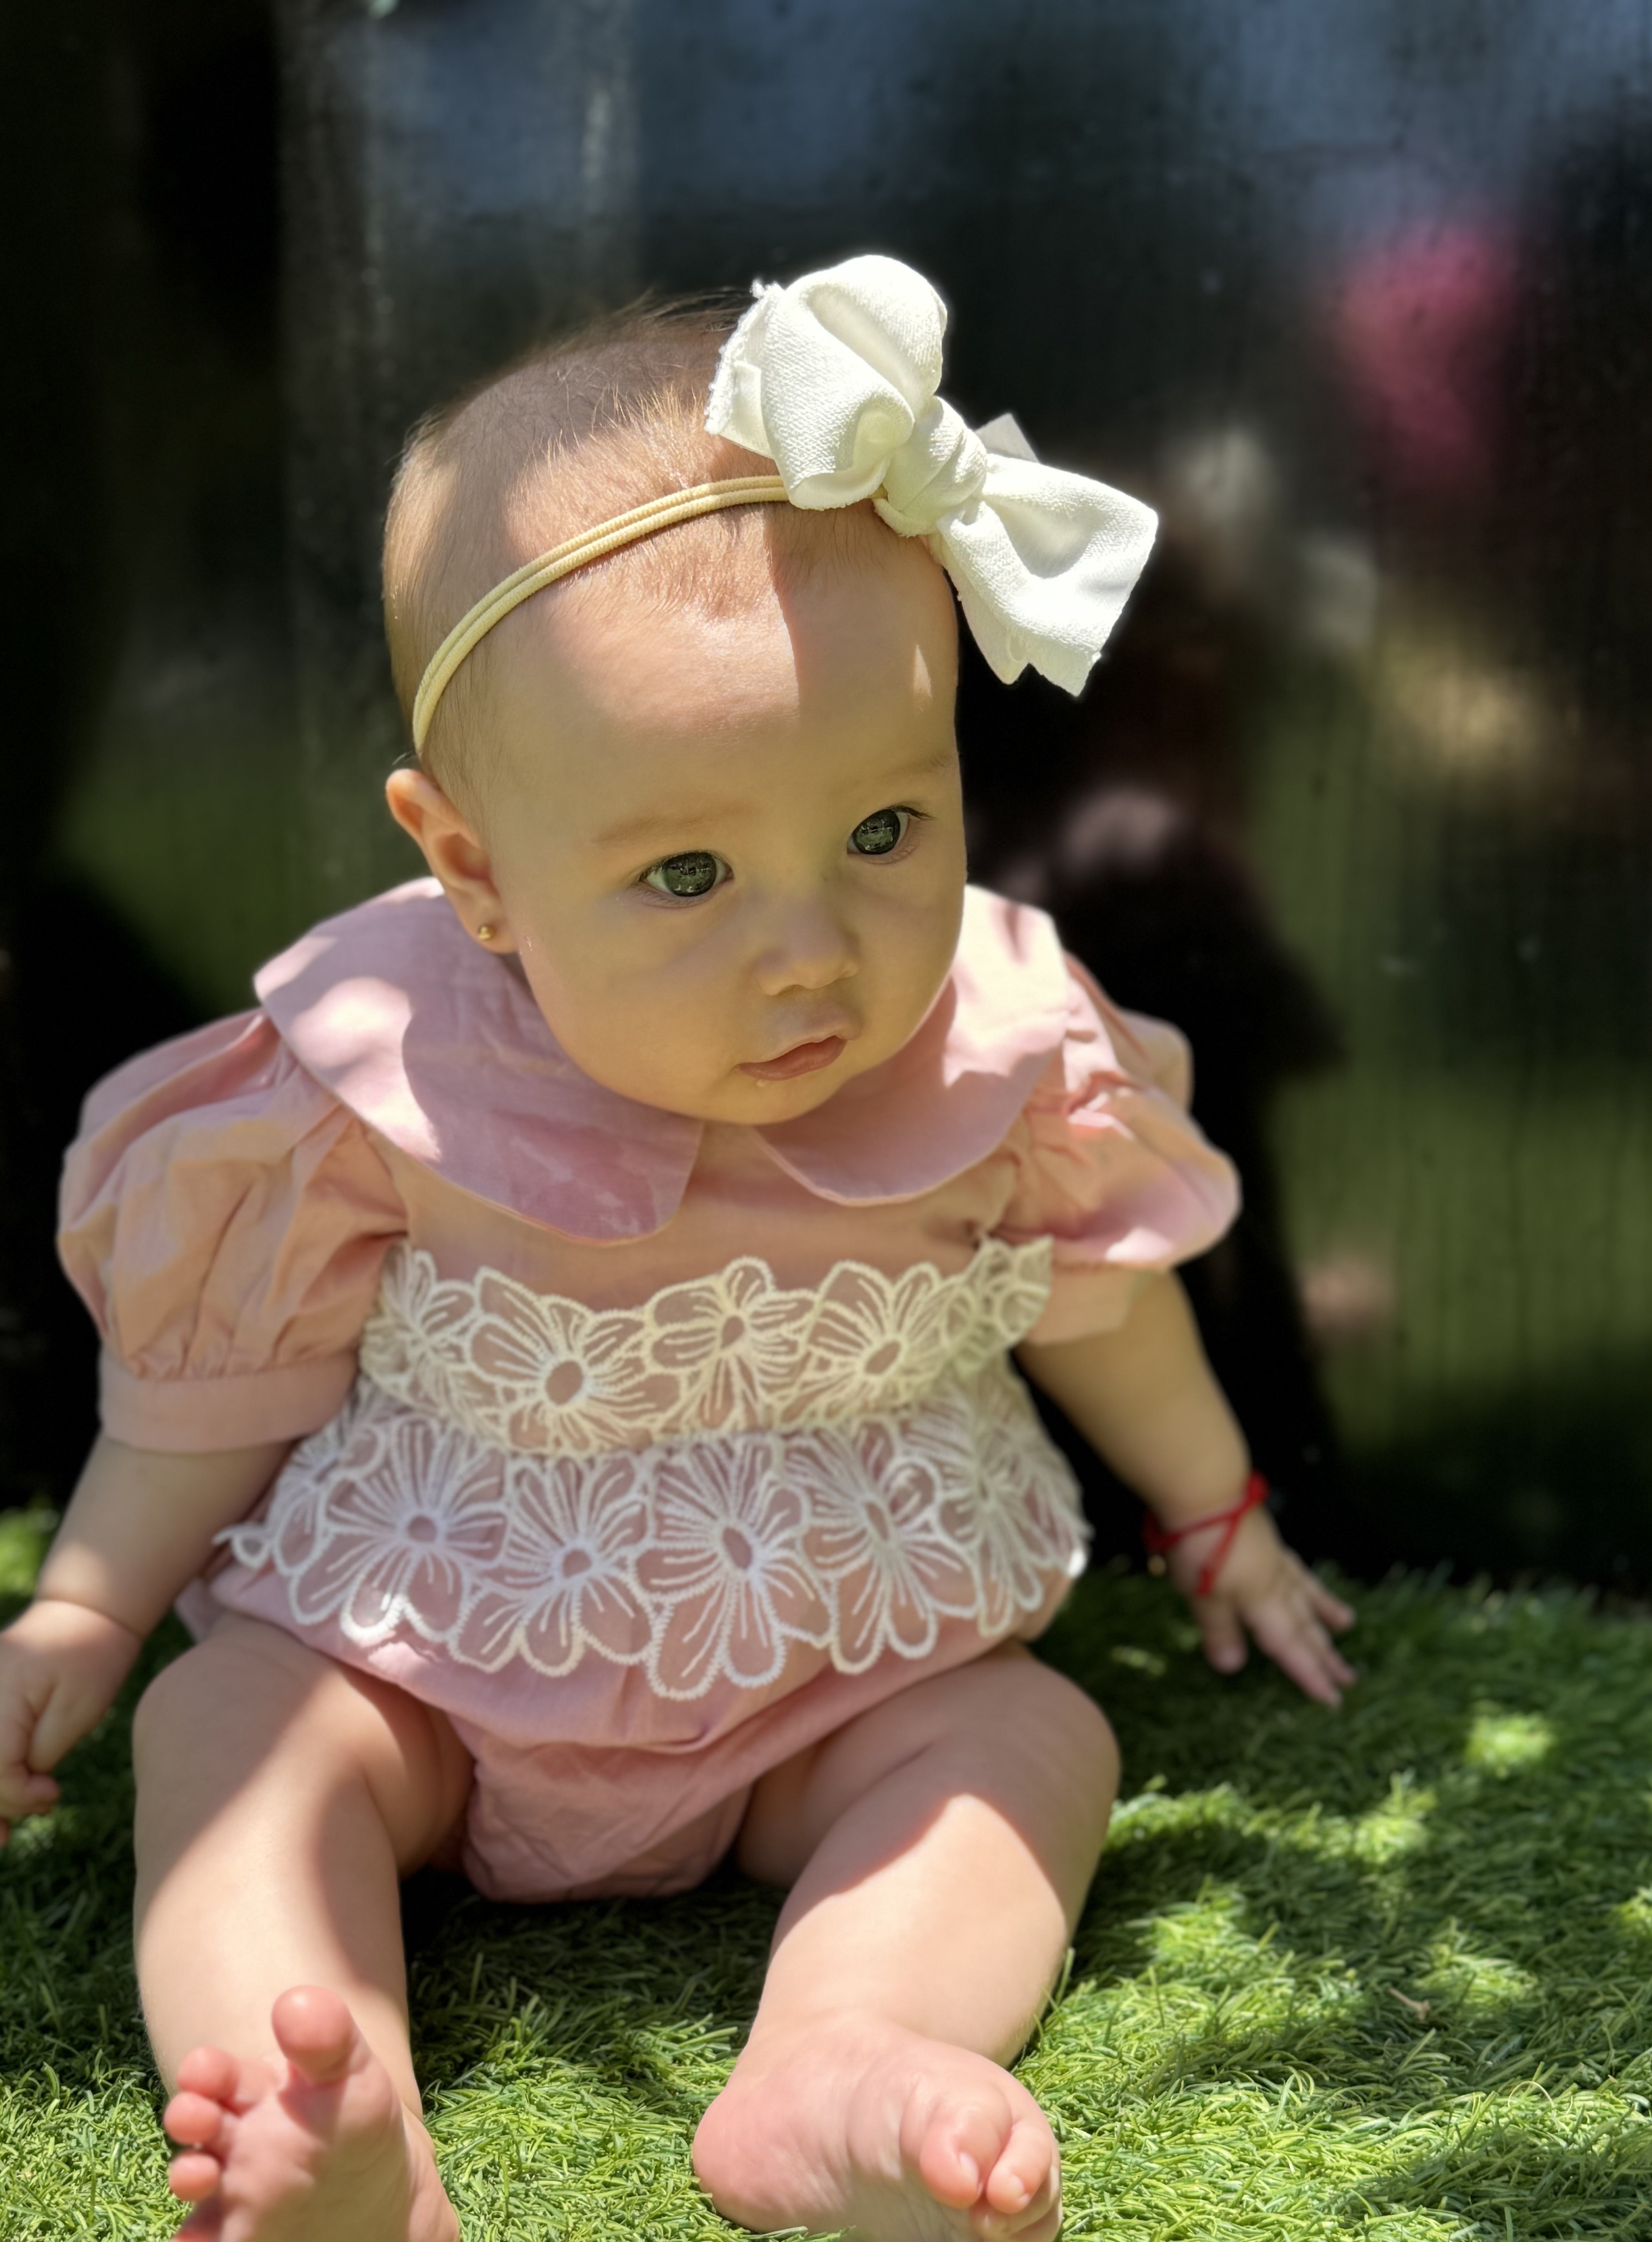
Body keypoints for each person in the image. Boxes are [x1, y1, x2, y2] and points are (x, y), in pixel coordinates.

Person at [0, 257, 1354, 2242]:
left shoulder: (1001, 1044)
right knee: (237, 1727)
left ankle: (845, 2054)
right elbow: (223, 1377)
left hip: (844, 1678)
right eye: (690, 874)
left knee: (1026, 1736)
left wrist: (1216, 1510)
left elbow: (1104, 1303)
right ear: (474, 868)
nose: (810, 950)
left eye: (883, 833)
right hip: (428, 1672)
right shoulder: (382, 1068)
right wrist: (90, 1613)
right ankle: (330, 2103)